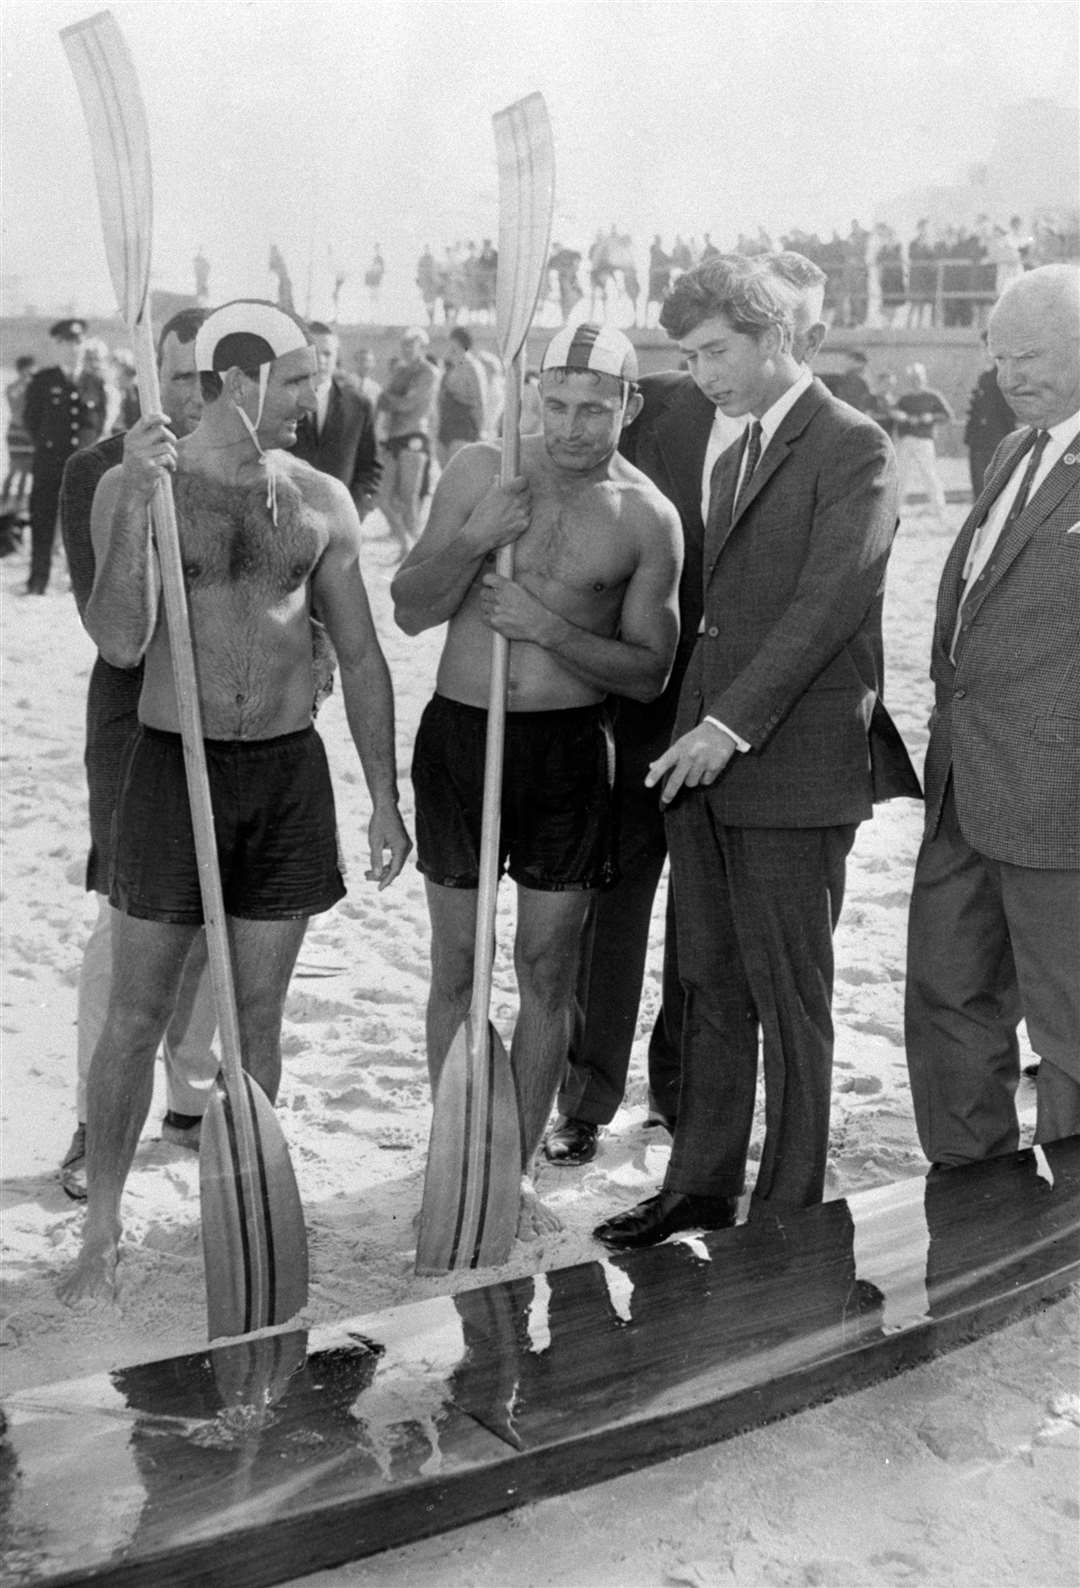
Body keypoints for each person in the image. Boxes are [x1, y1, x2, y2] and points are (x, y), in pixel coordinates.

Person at [58, 299, 411, 1303]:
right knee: (135, 1015)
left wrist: (384, 796)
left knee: (258, 1017)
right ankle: (103, 1222)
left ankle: (248, 1200)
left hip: (285, 774)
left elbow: (360, 654)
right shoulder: (144, 489)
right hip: (175, 771)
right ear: (242, 379)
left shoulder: (320, 498)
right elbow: (122, 639)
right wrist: (135, 501)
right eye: (300, 380)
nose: (318, 396)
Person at [593, 262, 915, 1250]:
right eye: (688, 358)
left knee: (794, 996)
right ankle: (701, 1186)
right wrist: (700, 728)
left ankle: (788, 1203)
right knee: (710, 986)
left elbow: (825, 608)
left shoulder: (856, 447)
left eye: (716, 352)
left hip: (790, 761)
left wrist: (723, 726)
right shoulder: (729, 445)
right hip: (705, 760)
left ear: (776, 335)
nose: (701, 376)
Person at [391, 323, 682, 1236]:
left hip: (567, 750)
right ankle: (458, 1148)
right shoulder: (484, 470)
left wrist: (546, 626)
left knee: (546, 968)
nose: (570, 426)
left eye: (594, 408)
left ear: (628, 407)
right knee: (459, 965)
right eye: (554, 405)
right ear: (533, 397)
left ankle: (507, 1170)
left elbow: (649, 671)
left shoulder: (645, 515)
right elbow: (409, 608)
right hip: (461, 737)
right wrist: (477, 536)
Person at [546, 252, 831, 1167]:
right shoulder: (658, 401)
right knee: (615, 901)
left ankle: (678, 1097)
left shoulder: (817, 432)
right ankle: (585, 1096)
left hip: (746, 716)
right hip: (641, 700)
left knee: (702, 927)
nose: (715, 367)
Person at [905, 264, 1080, 1165]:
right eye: (1000, 355)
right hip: (965, 780)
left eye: (1034, 355)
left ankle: (1063, 1245)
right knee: (948, 993)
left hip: (1059, 791)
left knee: (1070, 1027)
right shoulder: (1018, 450)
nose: (1011, 374)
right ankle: (974, 1195)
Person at [57, 307, 218, 1202]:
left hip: (238, 719)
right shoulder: (97, 466)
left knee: (215, 920)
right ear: (149, 375)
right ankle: (95, 1117)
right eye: (178, 374)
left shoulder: (254, 461)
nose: (195, 394)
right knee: (128, 926)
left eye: (209, 375)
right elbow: (117, 625)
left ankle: (192, 1099)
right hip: (133, 720)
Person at [22, 318, 107, 593]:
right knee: (43, 521)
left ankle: (80, 583)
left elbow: (98, 422)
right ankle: (38, 581)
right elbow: (31, 420)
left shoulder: (94, 382)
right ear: (56, 347)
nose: (73, 348)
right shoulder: (42, 381)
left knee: (82, 525)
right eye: (66, 343)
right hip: (49, 463)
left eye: (78, 342)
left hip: (82, 467)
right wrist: (51, 449)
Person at [290, 322, 380, 520]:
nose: (321, 360)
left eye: (327, 354)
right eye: (314, 353)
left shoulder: (358, 405)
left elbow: (370, 468)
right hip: (290, 522)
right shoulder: (281, 401)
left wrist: (356, 511)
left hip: (341, 525)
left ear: (336, 356)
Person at [376, 326, 439, 559]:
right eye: (404, 344)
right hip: (394, 437)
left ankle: (415, 553)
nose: (406, 349)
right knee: (381, 497)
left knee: (409, 498)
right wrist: (393, 401)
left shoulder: (428, 372)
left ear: (422, 347)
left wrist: (390, 400)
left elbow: (407, 405)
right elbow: (385, 402)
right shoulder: (401, 371)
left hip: (414, 437)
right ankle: (406, 542)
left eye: (411, 344)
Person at [894, 363, 954, 525]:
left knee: (930, 475)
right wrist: (900, 415)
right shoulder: (904, 398)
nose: (916, 381)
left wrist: (932, 417)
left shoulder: (933, 396)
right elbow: (894, 413)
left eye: (918, 377)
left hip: (924, 440)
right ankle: (894, 512)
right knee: (901, 476)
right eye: (912, 378)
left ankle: (940, 512)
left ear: (924, 377)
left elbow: (948, 415)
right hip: (907, 440)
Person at [963, 334, 1016, 498]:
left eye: (984, 348)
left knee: (992, 494)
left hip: (995, 442)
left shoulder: (1002, 376)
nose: (982, 353)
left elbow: (1009, 412)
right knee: (981, 491)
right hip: (980, 441)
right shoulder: (985, 377)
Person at [436, 326, 488, 465]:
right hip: (446, 423)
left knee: (457, 468)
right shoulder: (450, 366)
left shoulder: (473, 366)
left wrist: (481, 429)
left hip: (464, 423)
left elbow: (480, 399)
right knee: (444, 472)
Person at [3, 354, 36, 509]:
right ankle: (4, 500)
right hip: (17, 431)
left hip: (28, 432)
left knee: (25, 469)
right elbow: (14, 401)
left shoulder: (32, 387)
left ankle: (19, 503)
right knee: (14, 467)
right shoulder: (13, 387)